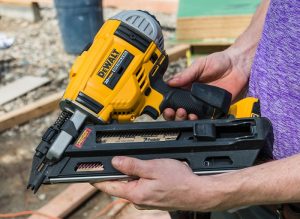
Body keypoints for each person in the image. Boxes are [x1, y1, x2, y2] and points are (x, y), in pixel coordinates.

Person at [95, 0, 300, 218]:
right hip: (246, 169)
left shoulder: (219, 190)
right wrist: (241, 57)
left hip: (248, 188)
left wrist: (211, 192)